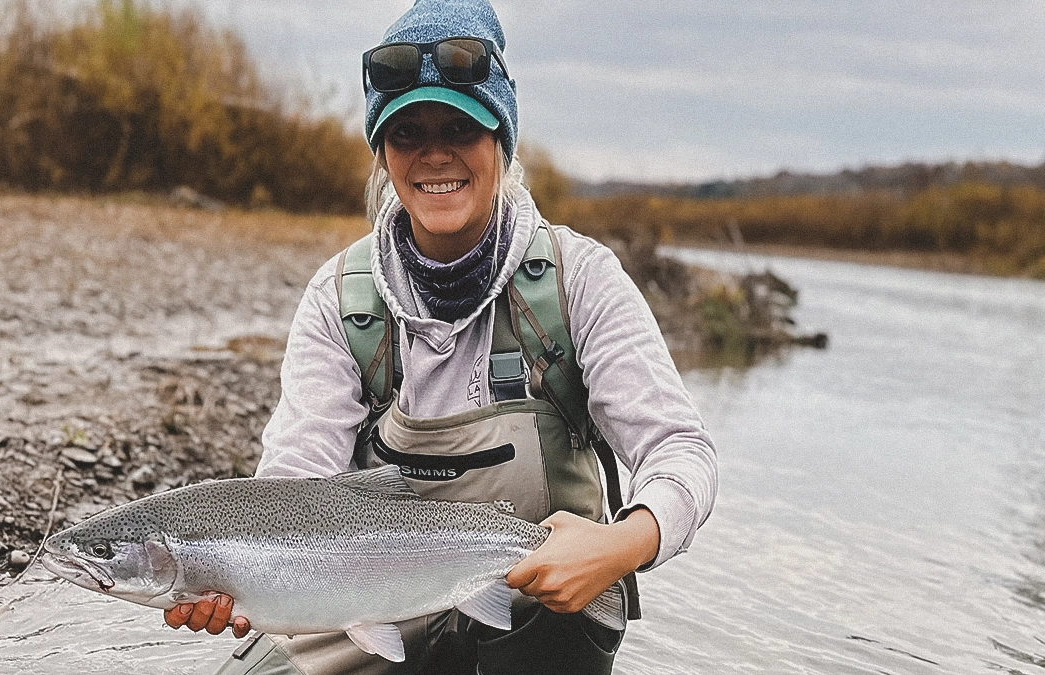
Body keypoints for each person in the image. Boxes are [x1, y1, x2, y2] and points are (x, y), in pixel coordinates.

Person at [167, 1, 717, 673]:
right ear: (383, 153)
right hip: (367, 602)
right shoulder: (340, 300)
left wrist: (620, 545)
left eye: (461, 126)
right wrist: (237, 572)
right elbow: (293, 484)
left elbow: (682, 451)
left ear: (501, 139)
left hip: (537, 603)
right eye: (407, 133)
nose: (435, 154)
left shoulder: (582, 281)